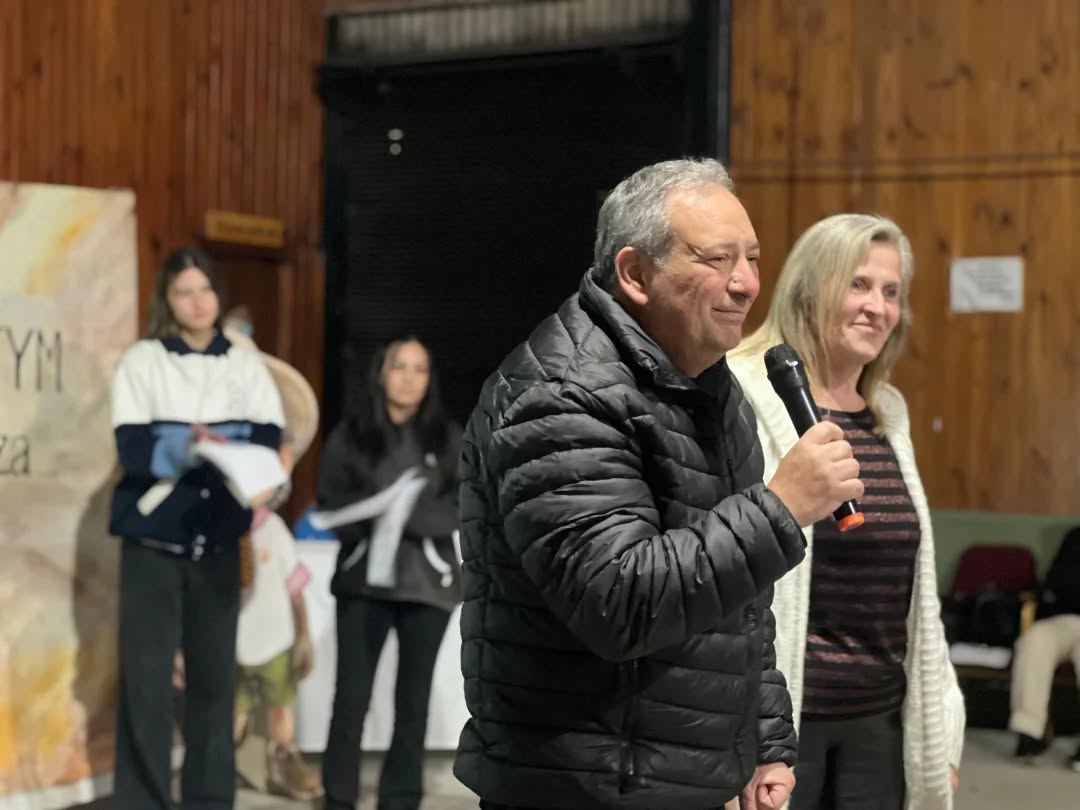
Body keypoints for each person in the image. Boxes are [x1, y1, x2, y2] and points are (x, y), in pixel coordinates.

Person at [454, 158, 863, 810]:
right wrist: (780, 508)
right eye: (717, 260)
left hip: (674, 779)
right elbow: (617, 603)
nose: (746, 284)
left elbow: (741, 609)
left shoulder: (711, 389)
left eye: (753, 259)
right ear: (635, 274)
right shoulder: (560, 394)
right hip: (580, 787)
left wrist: (762, 741)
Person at [728, 213, 965, 810]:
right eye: (858, 284)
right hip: (783, 725)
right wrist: (750, 731)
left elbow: (917, 596)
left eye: (891, 292)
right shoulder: (741, 393)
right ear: (810, 289)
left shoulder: (889, 411)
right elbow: (730, 573)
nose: (877, 307)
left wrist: (941, 730)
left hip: (880, 724)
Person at [109, 247, 285, 809]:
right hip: (152, 544)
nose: (197, 301)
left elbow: (268, 441)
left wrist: (236, 450)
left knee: (214, 684)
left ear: (218, 294)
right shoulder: (143, 361)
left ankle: (209, 799)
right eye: (184, 291)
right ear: (167, 299)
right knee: (147, 684)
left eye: (205, 289)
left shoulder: (245, 364)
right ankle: (143, 800)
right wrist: (187, 444)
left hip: (218, 540)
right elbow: (133, 449)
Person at [317, 337, 464, 810]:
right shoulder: (351, 435)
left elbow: (461, 506)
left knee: (412, 702)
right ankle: (338, 797)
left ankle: (400, 799)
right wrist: (374, 514)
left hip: (427, 587)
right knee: (350, 699)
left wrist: (409, 515)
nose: (409, 378)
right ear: (381, 373)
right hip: (364, 585)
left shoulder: (447, 438)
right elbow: (329, 504)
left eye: (420, 369)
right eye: (400, 366)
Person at [227, 326, 324, 800]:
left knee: (279, 706)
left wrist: (303, 634)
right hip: (232, 641)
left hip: (274, 642)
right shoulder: (218, 533)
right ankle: (221, 761)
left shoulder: (273, 531)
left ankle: (283, 759)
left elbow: (293, 587)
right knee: (233, 707)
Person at [1010, 525, 1080, 769]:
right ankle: (1030, 731)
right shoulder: (1075, 537)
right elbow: (1055, 584)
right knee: (1034, 639)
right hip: (1064, 618)